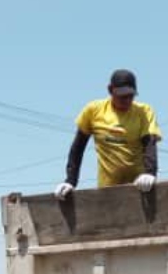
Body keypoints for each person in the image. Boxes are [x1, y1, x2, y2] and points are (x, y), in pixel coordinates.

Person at [55, 69, 162, 199]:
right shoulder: (93, 110)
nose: (127, 100)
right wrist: (70, 180)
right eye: (122, 96)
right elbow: (78, 147)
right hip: (108, 190)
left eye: (131, 96)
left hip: (140, 186)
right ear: (110, 90)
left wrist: (150, 173)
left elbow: (149, 144)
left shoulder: (144, 111)